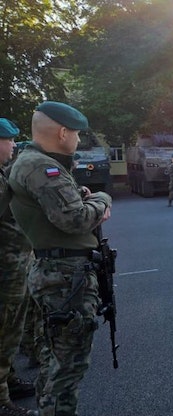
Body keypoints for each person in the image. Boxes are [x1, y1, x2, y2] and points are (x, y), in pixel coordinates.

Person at [8, 101, 112, 416]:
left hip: (58, 273)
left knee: (55, 360)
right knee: (69, 366)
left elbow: (61, 205)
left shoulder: (35, 163)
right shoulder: (41, 166)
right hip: (65, 276)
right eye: (77, 134)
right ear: (63, 132)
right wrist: (103, 199)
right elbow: (75, 219)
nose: (79, 140)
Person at [0, 118, 38, 416]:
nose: (13, 145)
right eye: (9, 140)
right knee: (4, 329)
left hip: (15, 265)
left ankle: (7, 380)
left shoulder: (3, 173)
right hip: (5, 269)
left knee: (11, 328)